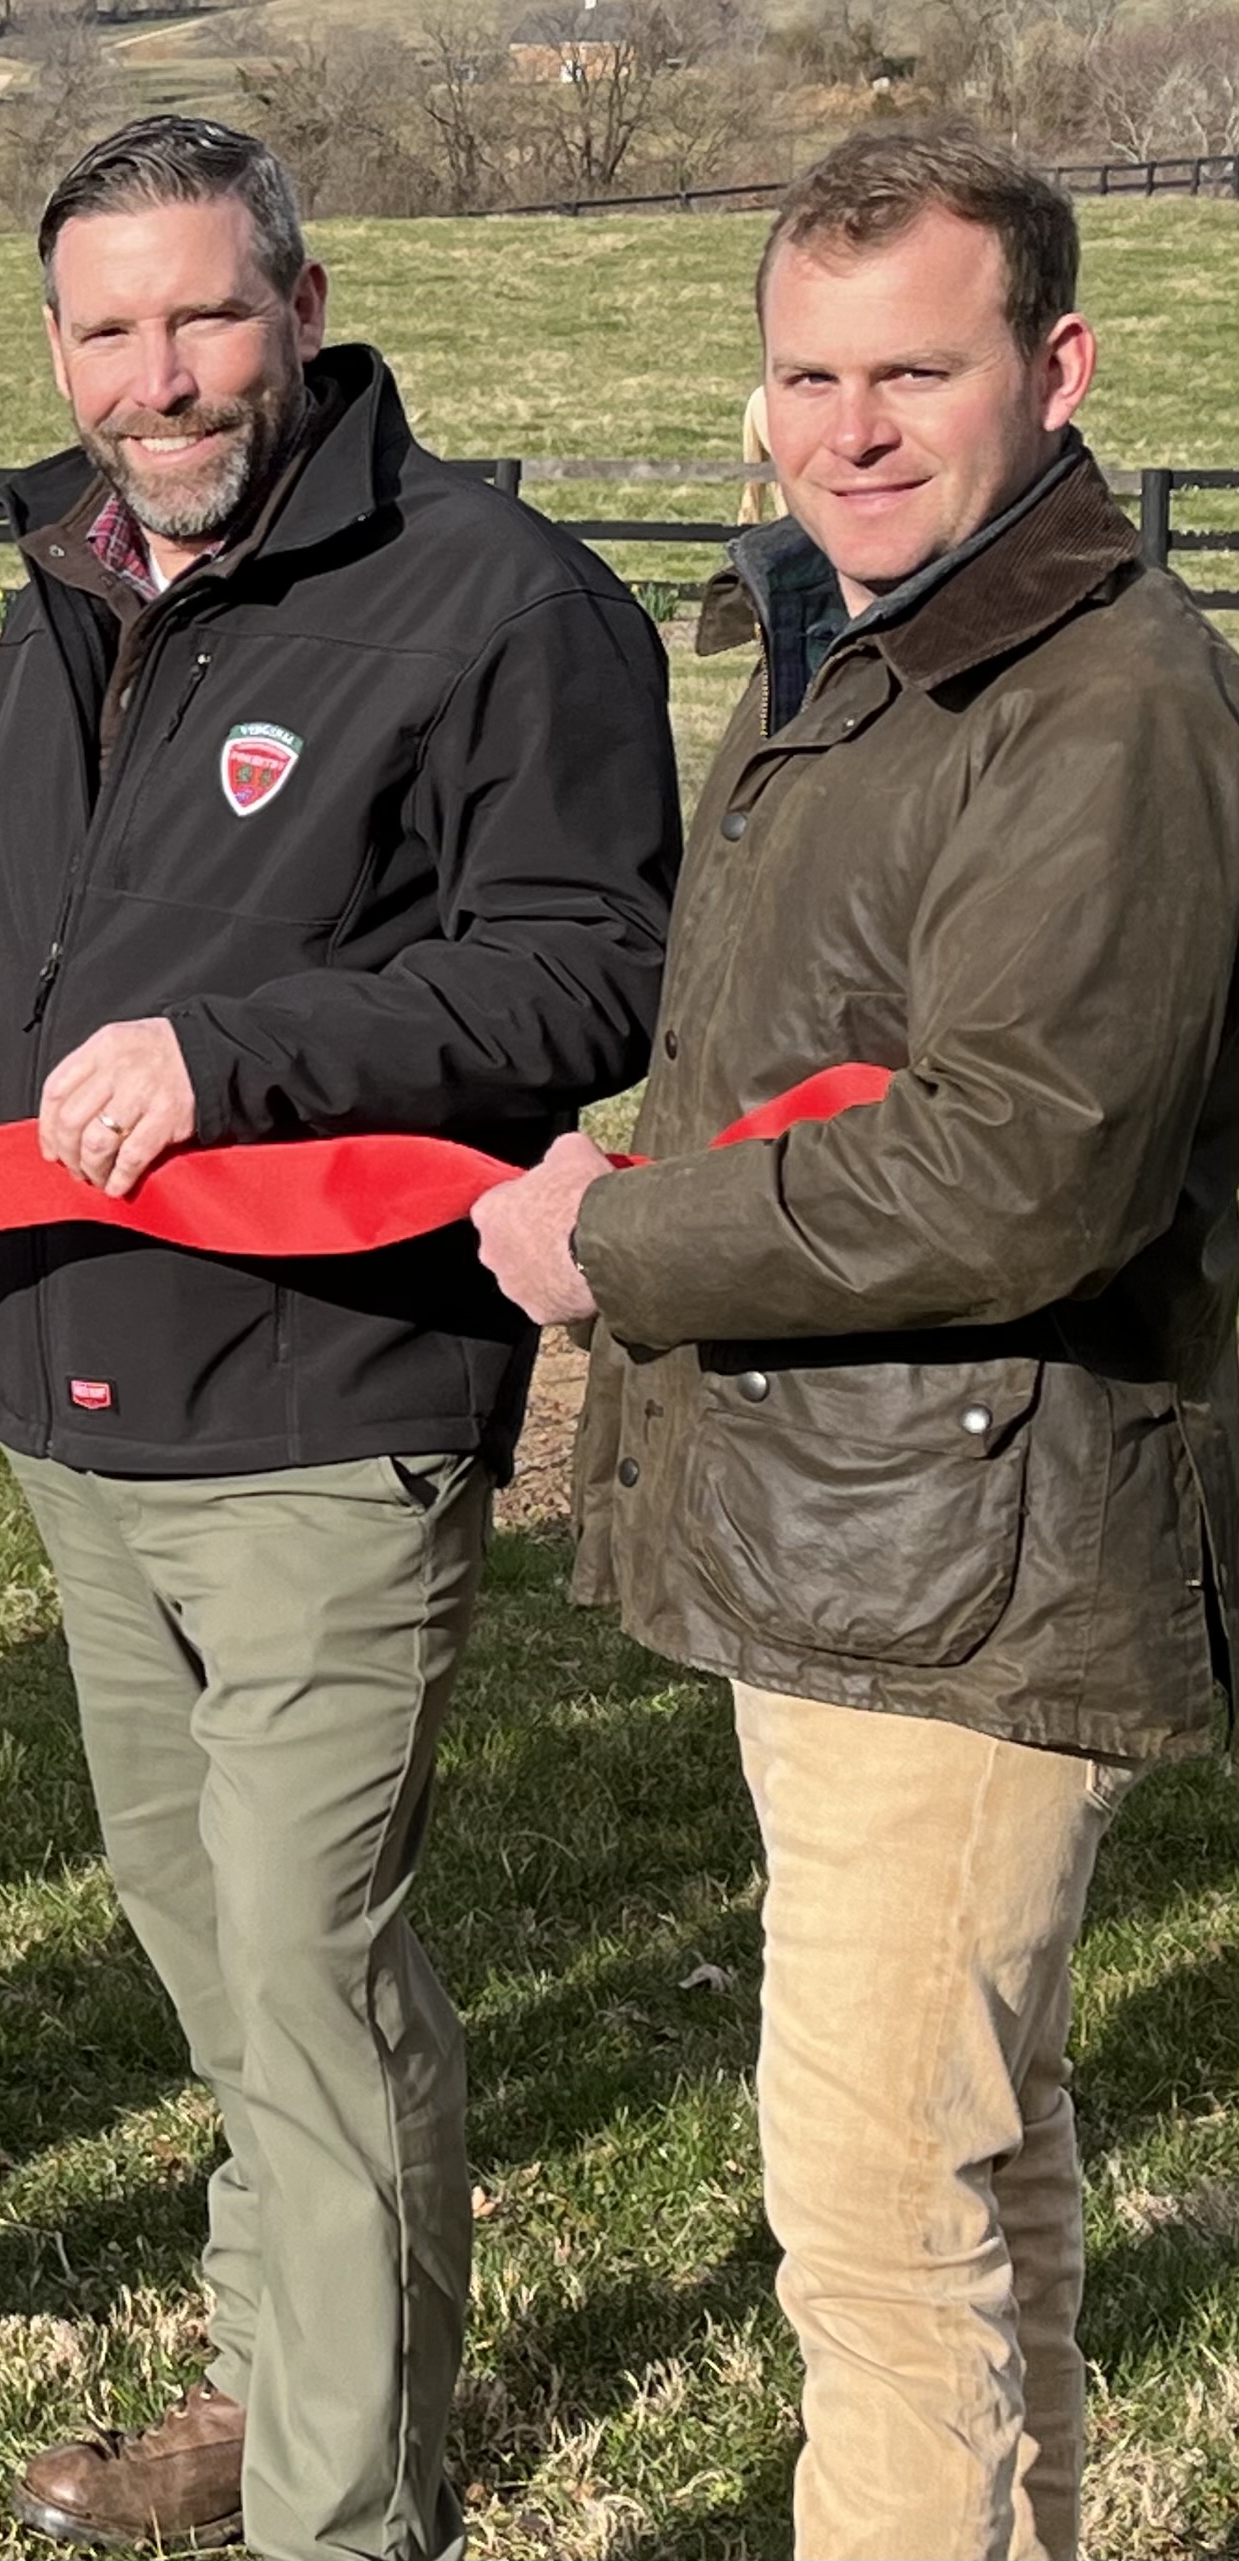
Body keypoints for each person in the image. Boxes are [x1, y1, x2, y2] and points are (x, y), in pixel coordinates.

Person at [474, 128, 1239, 2561]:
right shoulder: (852, 640)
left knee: (878, 2219)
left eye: (919, 367)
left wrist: (632, 1238)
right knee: (962, 2172)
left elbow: (1025, 1167)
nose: (856, 423)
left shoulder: (1098, 702)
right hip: (867, 1523)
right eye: (811, 373)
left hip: (974, 1556)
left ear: (1062, 368)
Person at [0, 117, 678, 2561]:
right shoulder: (52, 588)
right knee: (213, 1964)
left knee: (312, 1967)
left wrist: (245, 1047)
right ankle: (280, 2387)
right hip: (78, 1394)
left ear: (304, 300)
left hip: (325, 1400)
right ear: (53, 346)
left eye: (204, 316)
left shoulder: (491, 598)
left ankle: (344, 2509)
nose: (157, 376)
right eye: (108, 328)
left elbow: (592, 964)